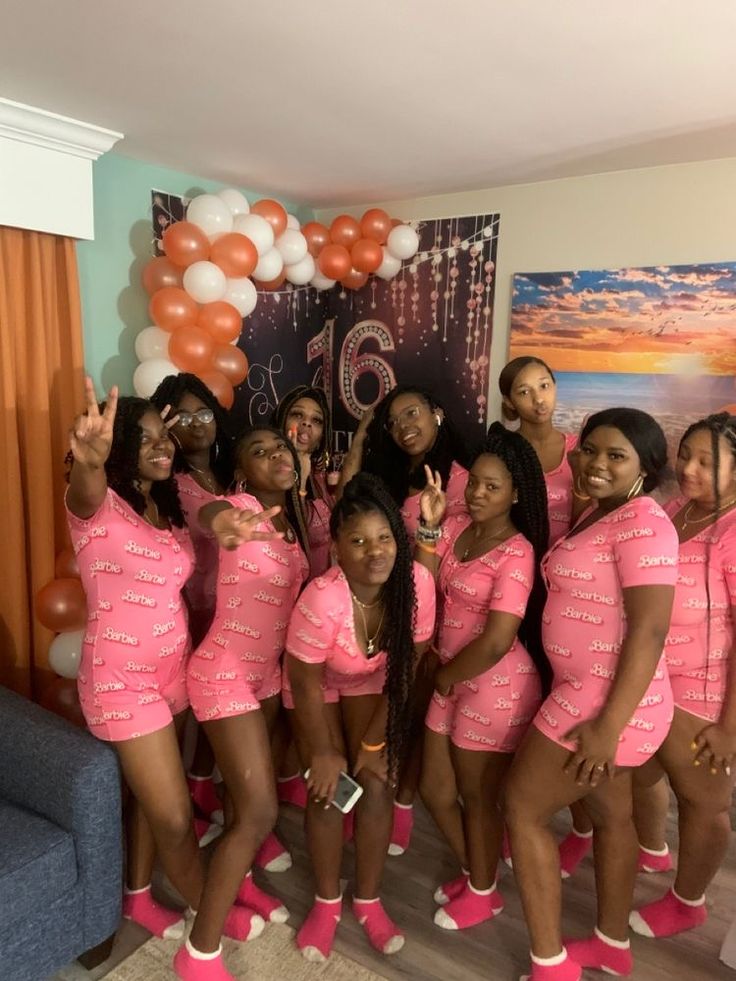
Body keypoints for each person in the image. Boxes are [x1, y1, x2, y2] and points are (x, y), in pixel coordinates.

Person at [65, 379, 269, 981]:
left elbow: (207, 508)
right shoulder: (97, 504)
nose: (162, 446)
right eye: (146, 437)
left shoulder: (168, 502)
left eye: (165, 435)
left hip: (173, 670)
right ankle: (208, 915)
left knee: (165, 801)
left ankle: (141, 898)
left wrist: (226, 518)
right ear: (118, 447)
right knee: (176, 817)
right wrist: (89, 462)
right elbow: (83, 491)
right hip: (119, 680)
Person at [504, 407, 678, 981]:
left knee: (523, 808)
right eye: (591, 450)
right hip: (593, 693)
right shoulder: (604, 512)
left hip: (602, 705)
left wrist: (606, 729)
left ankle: (550, 965)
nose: (595, 464)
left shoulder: (645, 524)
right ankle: (611, 944)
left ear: (645, 467)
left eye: (615, 455)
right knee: (610, 815)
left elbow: (650, 630)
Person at [174, 425, 310, 979]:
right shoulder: (239, 508)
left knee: (241, 795)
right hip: (224, 672)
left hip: (266, 678)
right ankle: (199, 951)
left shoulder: (292, 524)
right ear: (241, 472)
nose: (276, 455)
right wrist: (221, 519)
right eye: (259, 451)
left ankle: (242, 886)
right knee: (259, 812)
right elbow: (210, 516)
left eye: (280, 447)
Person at [285, 473, 436, 962]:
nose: (376, 552)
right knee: (328, 792)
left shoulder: (416, 585)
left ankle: (368, 899)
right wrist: (325, 753)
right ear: (337, 550)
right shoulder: (321, 599)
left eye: (385, 537)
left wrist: (373, 745)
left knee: (374, 783)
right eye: (359, 541)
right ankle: (327, 902)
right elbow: (305, 682)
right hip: (318, 685)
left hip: (375, 679)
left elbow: (407, 669)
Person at [416, 423, 550, 930]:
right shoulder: (454, 524)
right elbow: (425, 586)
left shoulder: (517, 552)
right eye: (474, 482)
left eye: (492, 487)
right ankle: (479, 870)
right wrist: (429, 529)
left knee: (477, 798)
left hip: (494, 684)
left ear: (517, 494)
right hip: (449, 674)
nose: (476, 493)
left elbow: (496, 640)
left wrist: (447, 677)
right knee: (434, 787)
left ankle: (483, 889)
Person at [338, 385, 473, 854]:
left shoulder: (461, 479)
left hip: (440, 612)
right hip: (393, 609)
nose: (403, 427)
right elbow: (348, 504)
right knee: (392, 709)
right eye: (393, 422)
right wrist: (359, 442)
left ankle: (402, 803)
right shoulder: (395, 477)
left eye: (411, 413)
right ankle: (381, 798)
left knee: (413, 712)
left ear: (437, 411)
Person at [629, 413, 736, 939]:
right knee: (644, 771)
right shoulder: (677, 509)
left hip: (704, 690)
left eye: (707, 462)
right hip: (653, 676)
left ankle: (688, 901)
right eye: (686, 454)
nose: (689, 469)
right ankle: (652, 852)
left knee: (703, 801)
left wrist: (729, 727)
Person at [499, 356, 594, 875]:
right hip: (515, 591)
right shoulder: (506, 453)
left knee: (568, 710)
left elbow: (592, 522)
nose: (538, 397)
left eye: (544, 385)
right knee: (520, 705)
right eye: (524, 390)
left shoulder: (581, 452)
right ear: (510, 403)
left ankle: (581, 823)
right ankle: (519, 816)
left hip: (570, 598)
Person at [151, 373, 234, 836]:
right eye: (184, 416)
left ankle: (202, 783)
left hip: (237, 609)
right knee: (199, 708)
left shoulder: (229, 472)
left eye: (205, 413)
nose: (198, 424)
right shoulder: (172, 482)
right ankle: (190, 788)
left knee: (214, 710)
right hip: (199, 610)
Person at [273, 384, 333, 578]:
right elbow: (293, 533)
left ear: (322, 434)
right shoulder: (264, 475)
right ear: (282, 420)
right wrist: (300, 477)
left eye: (316, 420)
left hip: (325, 594)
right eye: (297, 415)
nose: (306, 424)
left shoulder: (322, 477)